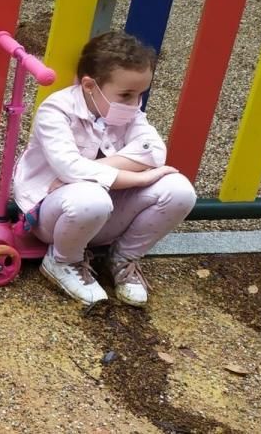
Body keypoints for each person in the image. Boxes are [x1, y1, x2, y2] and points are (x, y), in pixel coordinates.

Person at [14, 31, 196, 308]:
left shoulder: (127, 110)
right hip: (54, 215)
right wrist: (138, 177)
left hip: (101, 209)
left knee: (180, 190)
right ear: (89, 85)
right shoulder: (56, 110)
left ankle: (122, 257)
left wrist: (84, 172)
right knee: (91, 198)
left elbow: (155, 151)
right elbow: (67, 165)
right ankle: (63, 260)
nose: (135, 104)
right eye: (126, 94)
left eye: (140, 95)